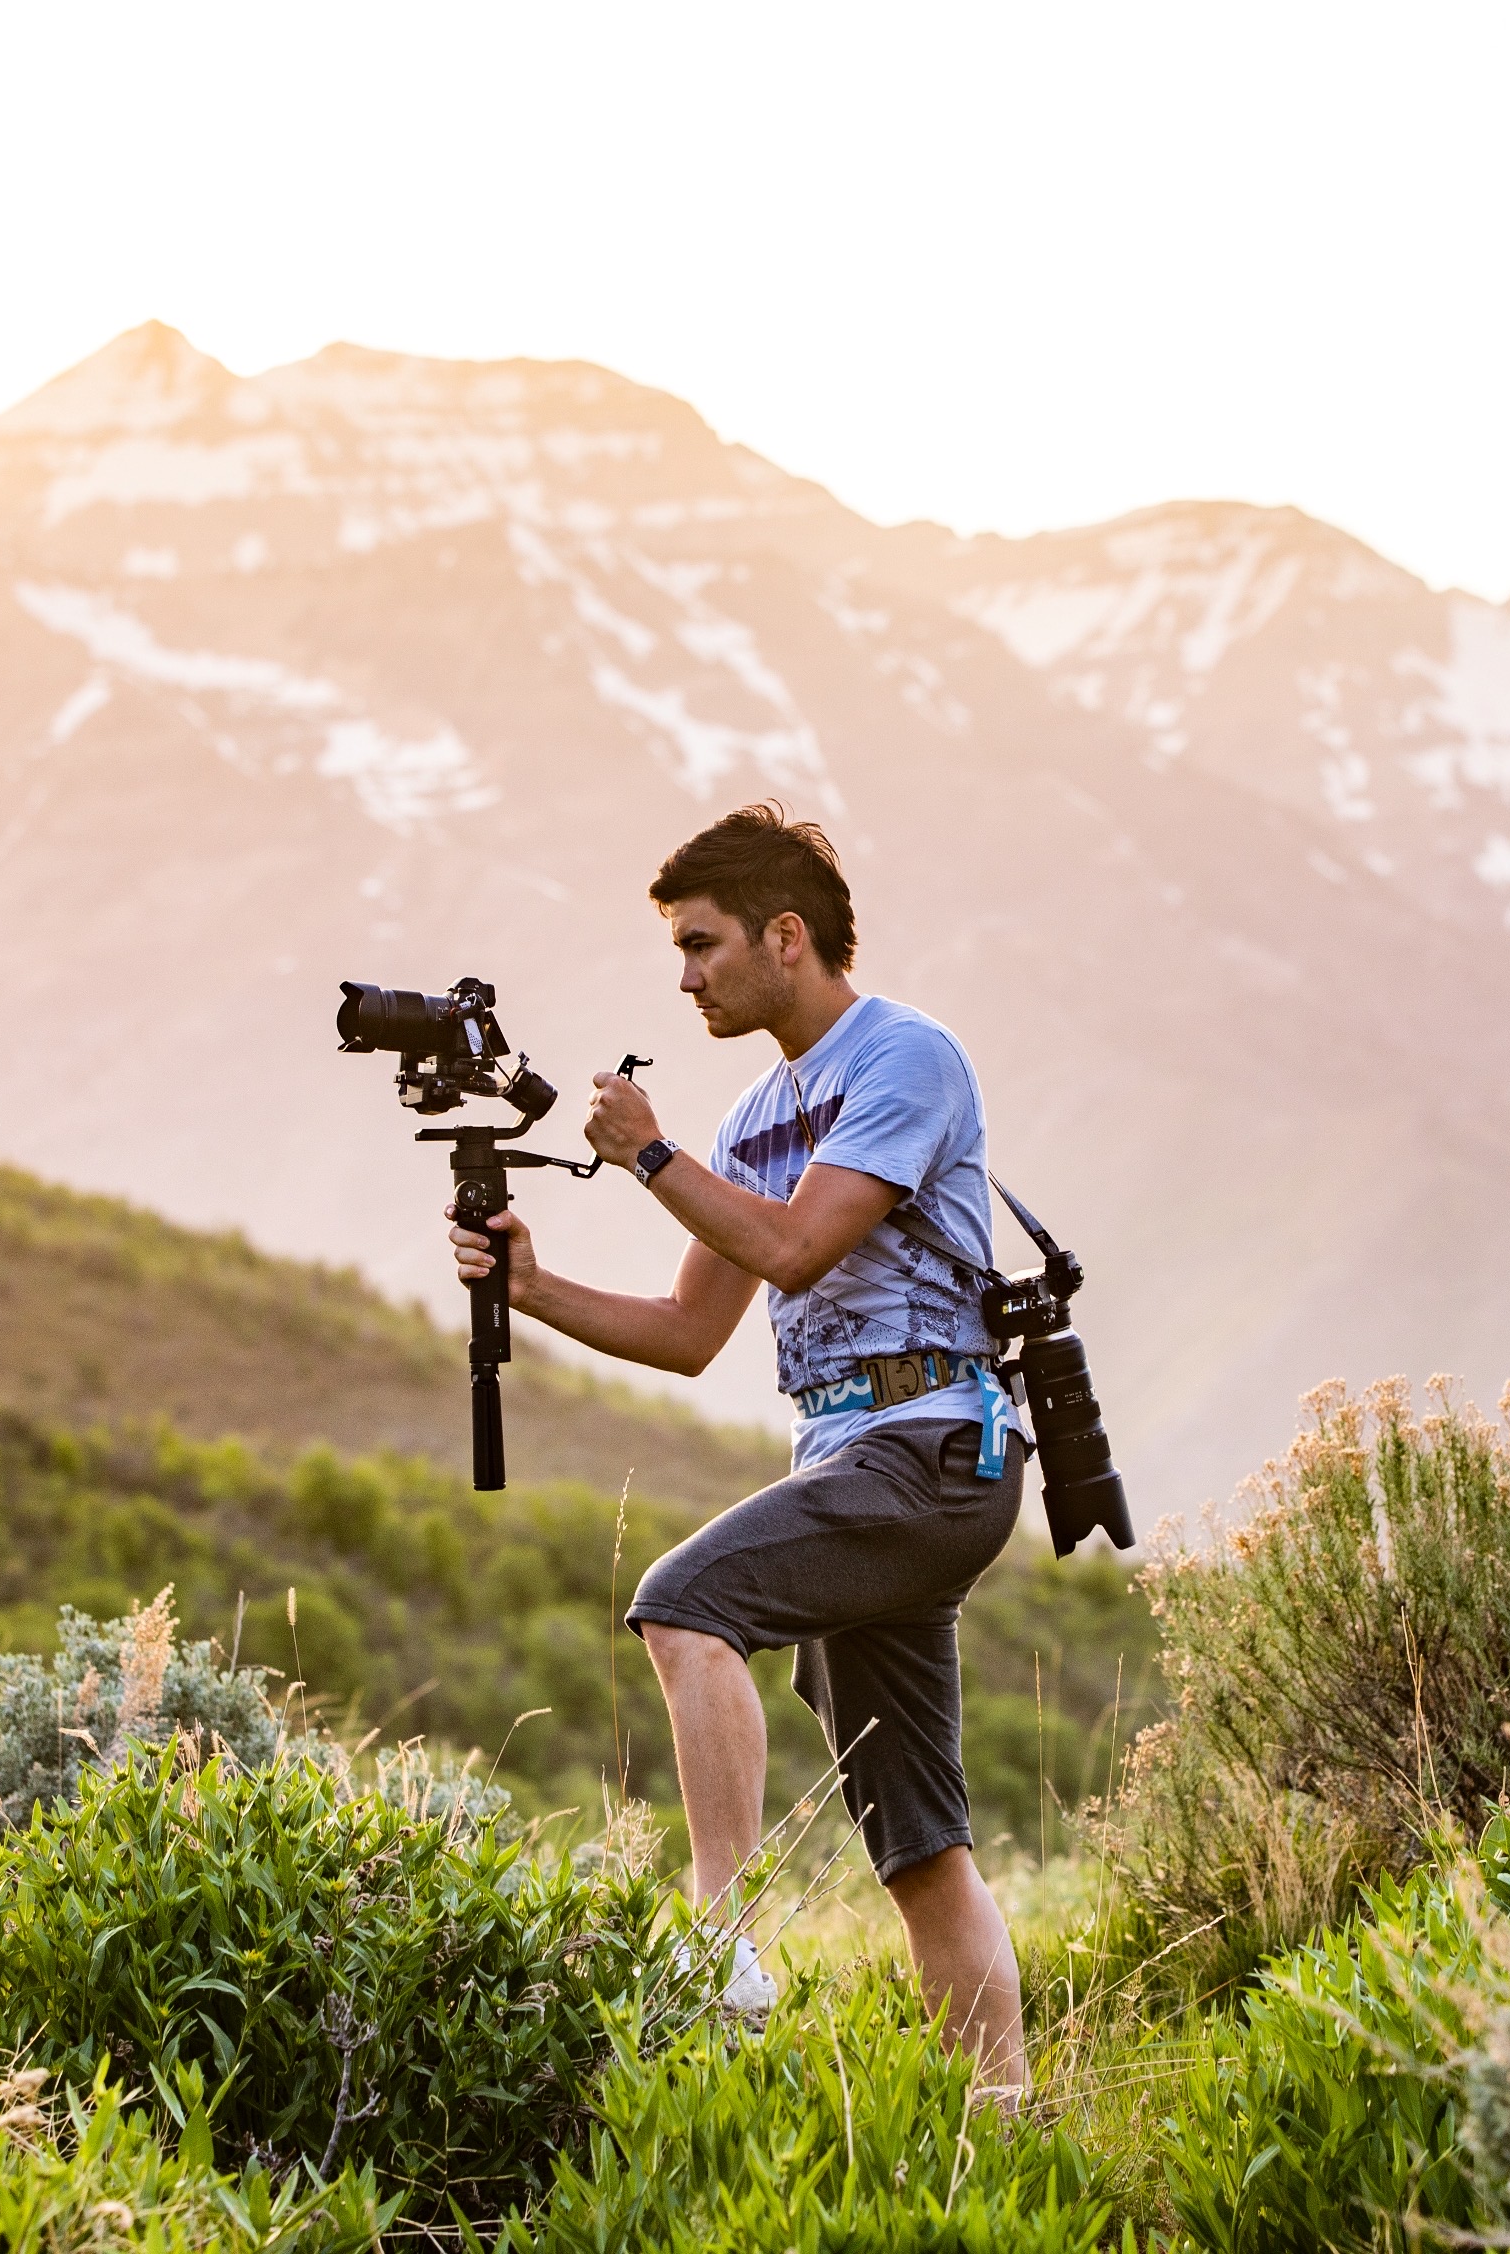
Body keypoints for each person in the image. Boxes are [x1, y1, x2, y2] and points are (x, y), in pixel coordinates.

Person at [445, 802, 1030, 2093]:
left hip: (935, 1446)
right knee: (920, 1847)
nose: (686, 977)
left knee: (684, 1603)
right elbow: (686, 1333)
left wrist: (649, 1152)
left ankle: (720, 1945)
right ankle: (1005, 2126)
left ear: (786, 937)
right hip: (855, 1465)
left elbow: (796, 1248)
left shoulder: (905, 1059)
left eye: (701, 945)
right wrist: (534, 1290)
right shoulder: (759, 1115)